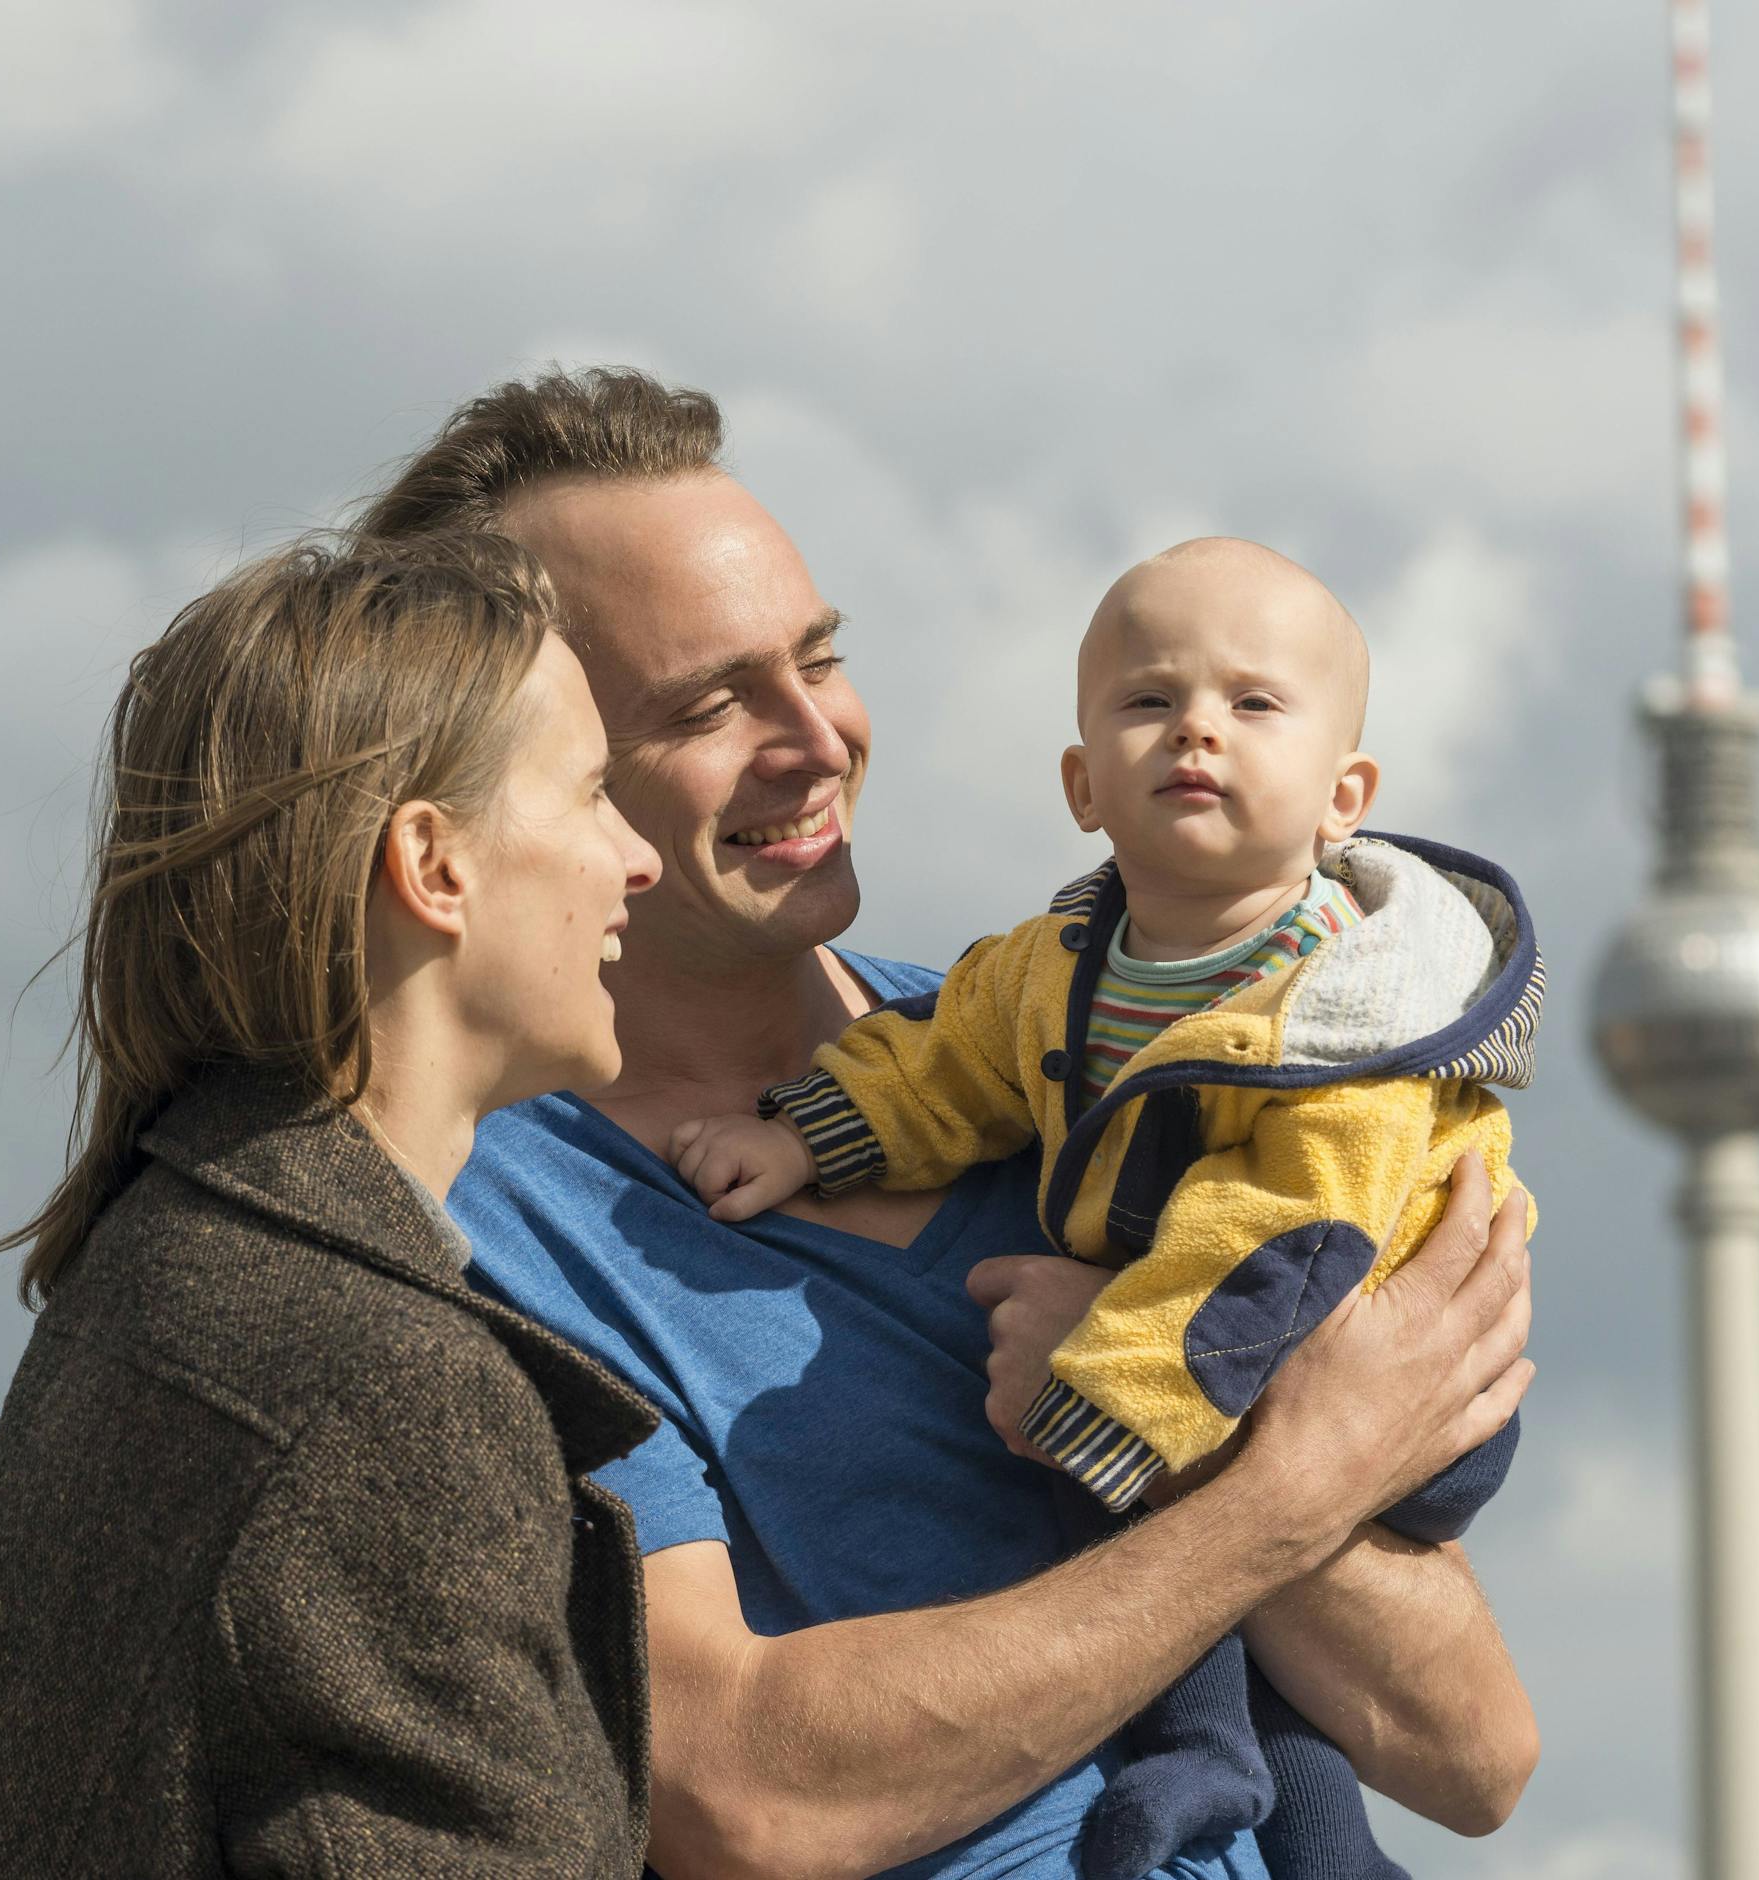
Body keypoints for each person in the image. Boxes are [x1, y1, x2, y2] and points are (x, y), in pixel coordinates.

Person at [357, 368, 1539, 1880]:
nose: (816, 739)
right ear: (533, 771)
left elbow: (1475, 1753)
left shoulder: (1089, 1051)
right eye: (709, 704)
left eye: (819, 657)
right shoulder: (475, 1221)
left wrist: (1182, 1436)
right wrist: (1284, 1482)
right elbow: (743, 1799)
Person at [670, 536, 1540, 1879]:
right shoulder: (1058, 967)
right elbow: (946, 1060)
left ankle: (1232, 1794)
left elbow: (1291, 1227)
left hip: (1346, 1331)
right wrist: (805, 1136)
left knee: (1178, 1568)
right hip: (1199, 1353)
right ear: (1082, 786)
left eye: (1255, 706)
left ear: (1344, 797)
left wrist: (1120, 1375)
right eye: (1149, 703)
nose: (1197, 727)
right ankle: (1242, 1803)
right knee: (1208, 1615)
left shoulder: (1348, 1024)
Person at [0, 532, 663, 1875]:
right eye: (593, 793)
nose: (637, 858)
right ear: (435, 865)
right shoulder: (389, 1393)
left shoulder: (161, 1268)